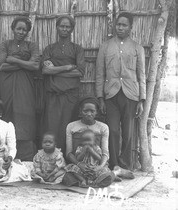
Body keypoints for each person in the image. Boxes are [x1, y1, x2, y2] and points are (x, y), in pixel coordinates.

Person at [96, 12, 146, 170]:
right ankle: (114, 165)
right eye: (118, 24)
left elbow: (141, 74)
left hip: (131, 95)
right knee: (113, 130)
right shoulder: (106, 46)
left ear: (131, 27)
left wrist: (142, 100)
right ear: (114, 25)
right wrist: (100, 98)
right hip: (111, 94)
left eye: (124, 25)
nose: (121, 27)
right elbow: (99, 74)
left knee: (128, 132)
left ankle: (126, 165)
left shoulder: (138, 48)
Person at [63, 96, 134, 188]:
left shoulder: (103, 127)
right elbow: (68, 153)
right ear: (80, 111)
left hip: (97, 165)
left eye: (92, 111)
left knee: (106, 177)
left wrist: (99, 167)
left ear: (97, 112)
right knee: (66, 178)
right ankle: (91, 180)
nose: (89, 114)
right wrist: (79, 164)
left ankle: (115, 172)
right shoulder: (71, 126)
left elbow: (105, 153)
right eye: (85, 111)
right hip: (78, 164)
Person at [41, 15, 85, 156]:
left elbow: (80, 72)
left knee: (68, 127)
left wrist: (55, 71)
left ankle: (67, 158)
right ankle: (52, 158)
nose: (64, 29)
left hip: (70, 94)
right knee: (51, 126)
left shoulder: (77, 49)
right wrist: (67, 67)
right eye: (62, 26)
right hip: (53, 94)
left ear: (72, 29)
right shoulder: (50, 48)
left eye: (67, 27)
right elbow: (45, 70)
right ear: (57, 27)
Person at [0, 16, 40, 161]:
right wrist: (25, 64)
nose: (21, 32)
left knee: (25, 114)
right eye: (18, 29)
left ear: (28, 32)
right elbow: (2, 66)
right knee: (8, 113)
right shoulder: (5, 44)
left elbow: (35, 66)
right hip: (7, 85)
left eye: (24, 30)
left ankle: (25, 155)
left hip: (25, 85)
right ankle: (6, 154)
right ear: (13, 29)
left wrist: (13, 60)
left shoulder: (32, 46)